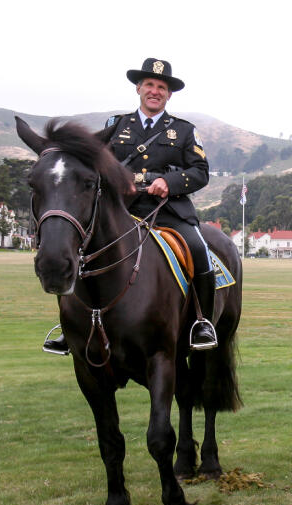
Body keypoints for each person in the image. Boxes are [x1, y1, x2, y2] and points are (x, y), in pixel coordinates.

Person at [43, 58, 216, 355]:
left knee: (200, 252)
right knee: (77, 252)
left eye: (161, 87)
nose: (155, 91)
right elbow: (95, 165)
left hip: (168, 212)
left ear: (169, 94)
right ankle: (69, 325)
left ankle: (201, 323)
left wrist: (169, 182)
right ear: (138, 88)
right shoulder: (116, 125)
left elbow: (200, 171)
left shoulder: (184, 131)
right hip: (121, 210)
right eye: (149, 84)